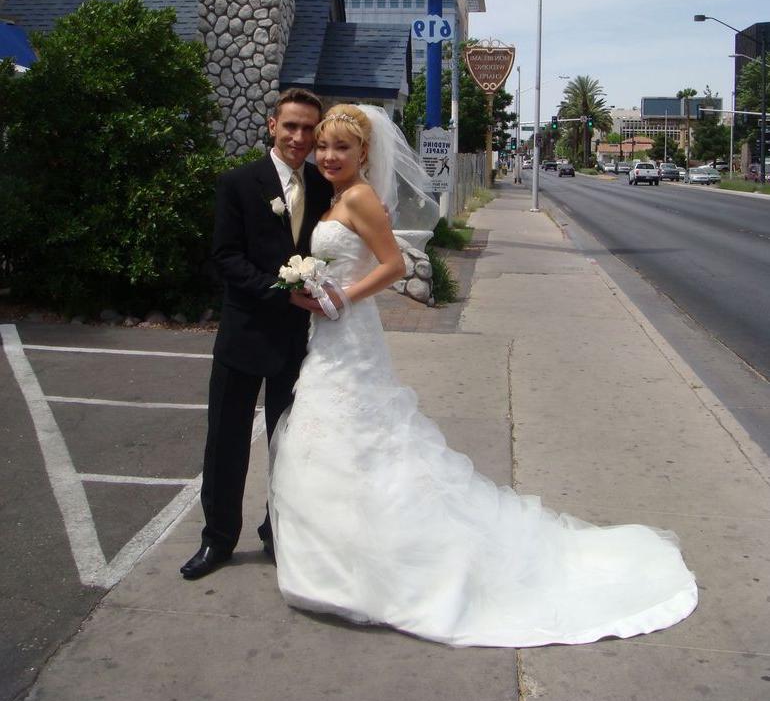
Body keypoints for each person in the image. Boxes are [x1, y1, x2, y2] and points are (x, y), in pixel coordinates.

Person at [267, 104, 698, 647]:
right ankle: (335, 563)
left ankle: (362, 568)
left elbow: (394, 266)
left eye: (341, 148)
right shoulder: (335, 197)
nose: (328, 156)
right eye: (324, 147)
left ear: (364, 153)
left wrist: (340, 298)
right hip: (333, 336)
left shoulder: (359, 198)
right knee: (336, 441)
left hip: (348, 333)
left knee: (358, 438)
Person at [180, 88, 332, 580]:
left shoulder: (326, 186)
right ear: (272, 126)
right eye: (291, 126)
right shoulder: (238, 183)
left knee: (288, 444)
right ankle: (218, 540)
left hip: (300, 342)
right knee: (225, 444)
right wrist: (279, 291)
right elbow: (225, 257)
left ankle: (278, 532)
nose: (299, 137)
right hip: (244, 335)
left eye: (309, 128)